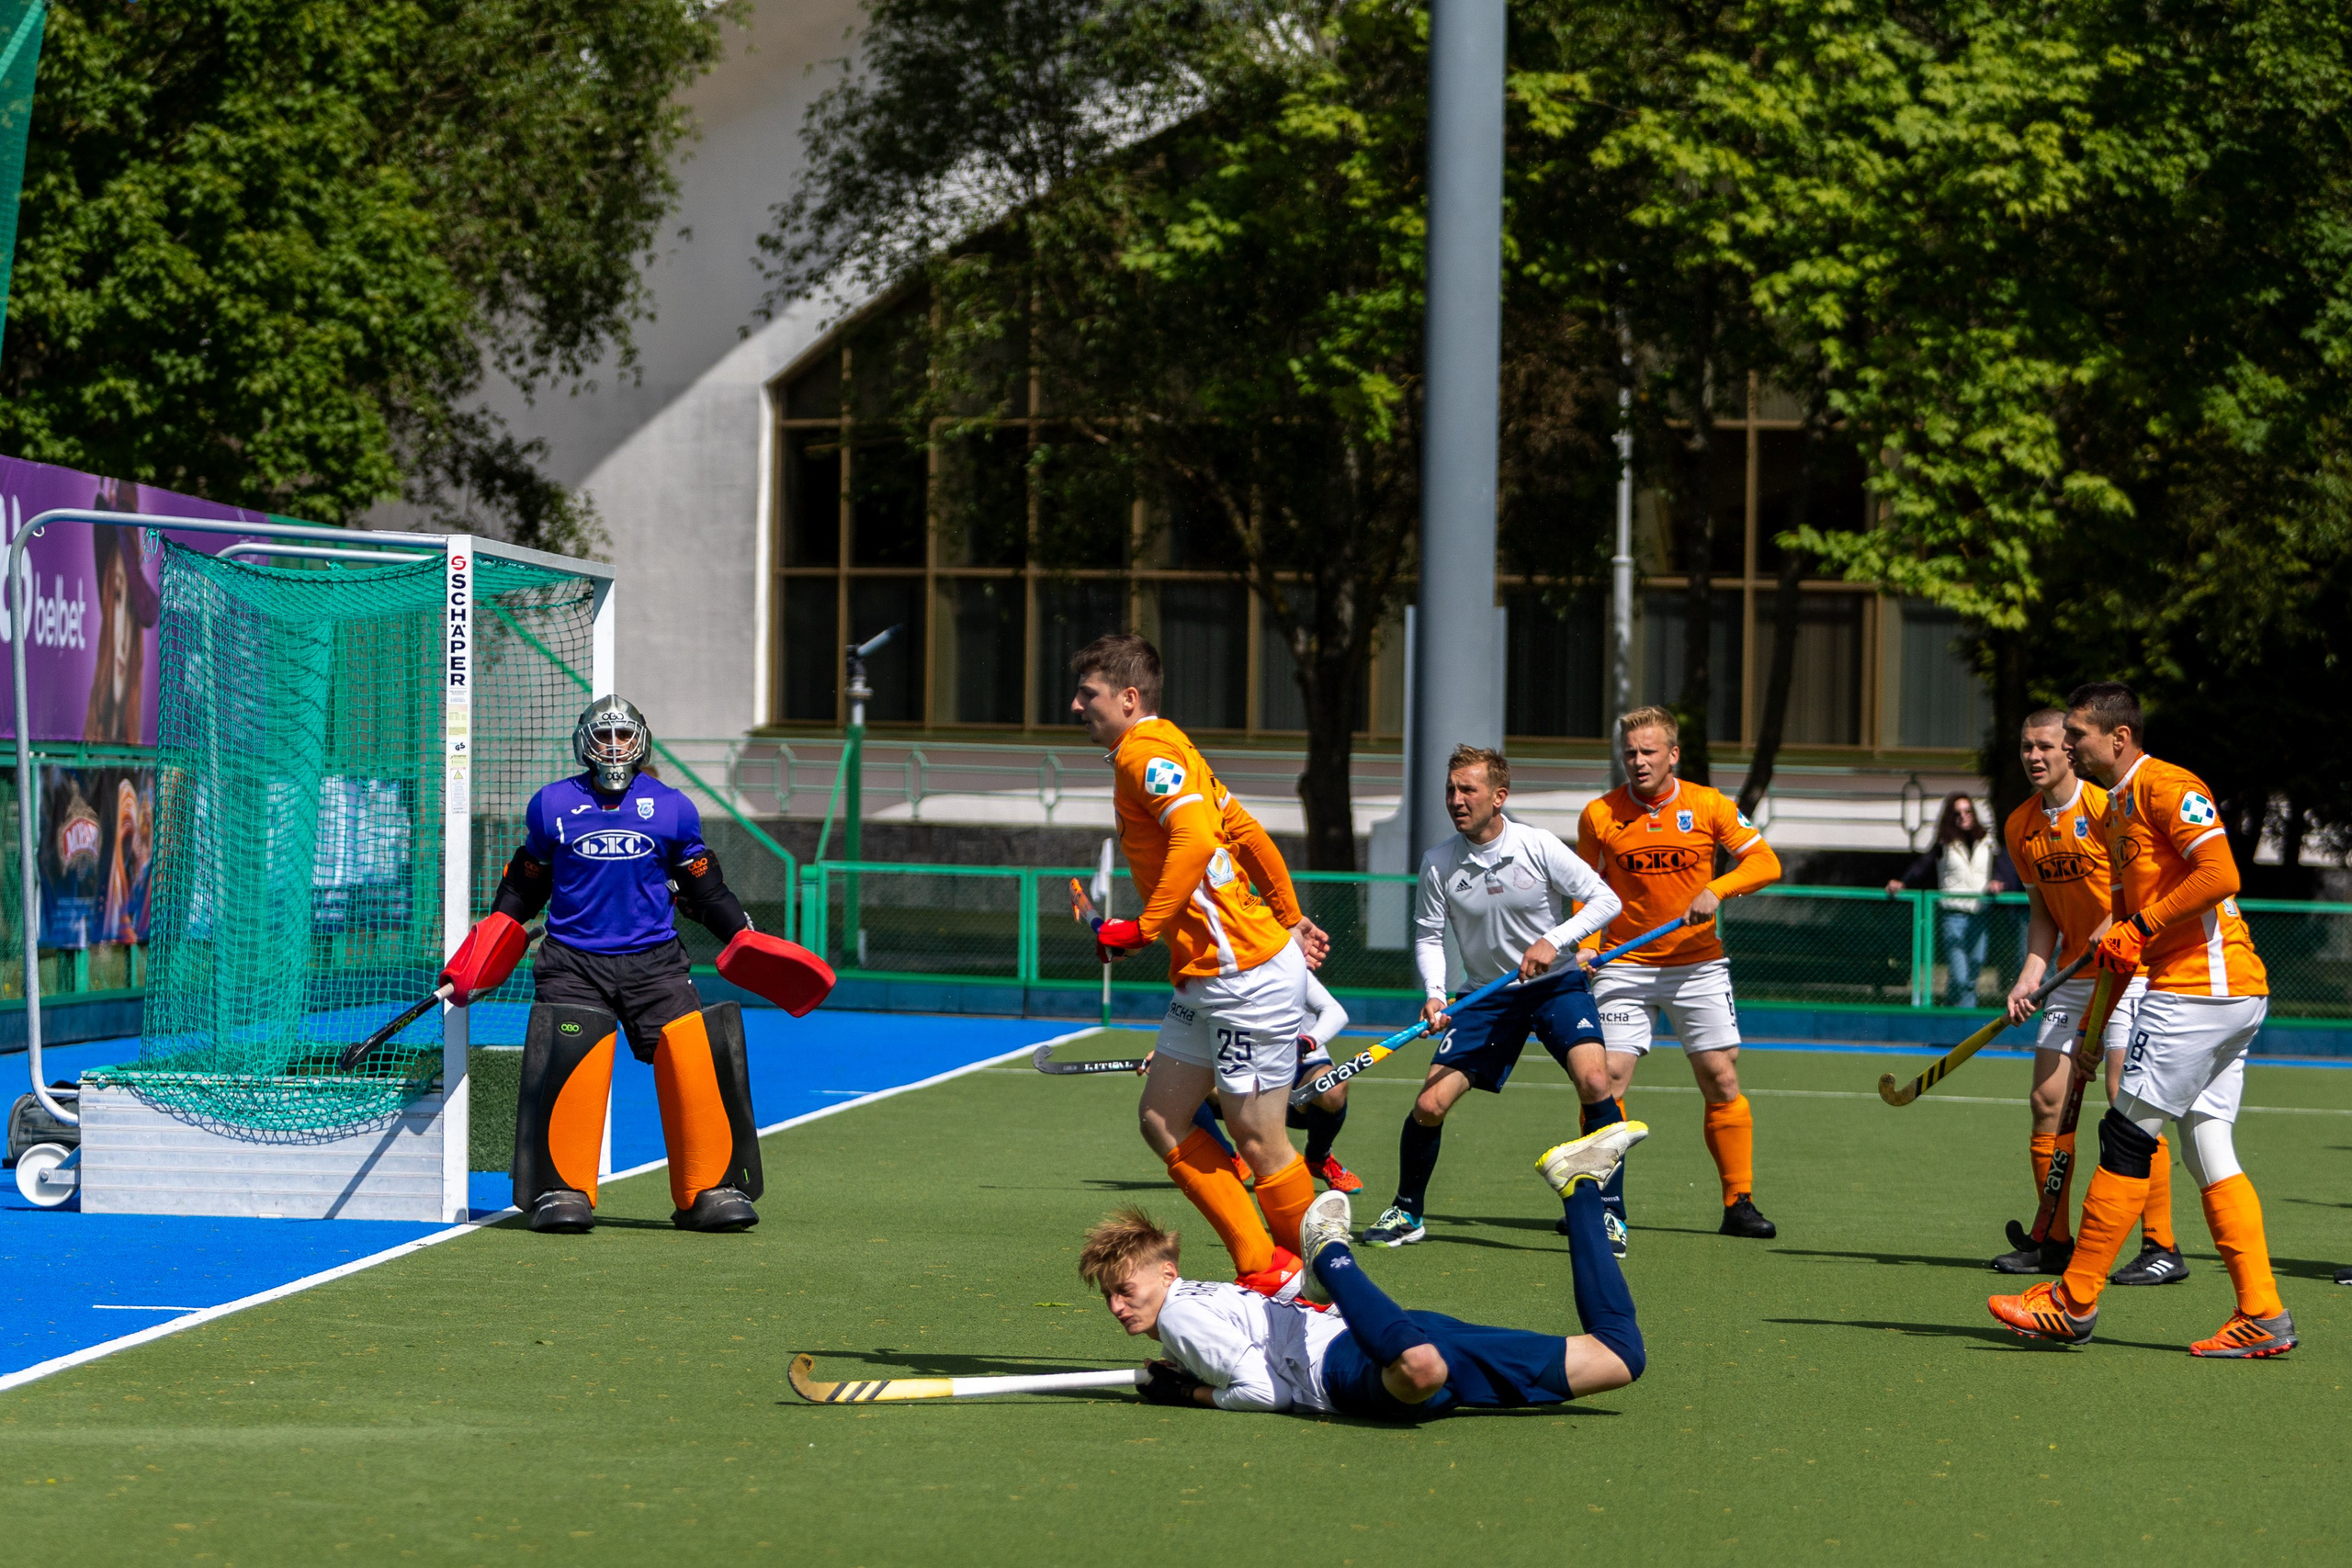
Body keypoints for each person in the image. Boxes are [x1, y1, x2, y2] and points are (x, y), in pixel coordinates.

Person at [1990, 682, 2293, 1357]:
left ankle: (2072, 1302)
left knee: (2126, 1136)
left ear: (2117, 737)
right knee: (2206, 1147)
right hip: (2204, 993)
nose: (2067, 745)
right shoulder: (2117, 808)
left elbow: (2220, 873)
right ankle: (2263, 1314)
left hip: (2202, 990)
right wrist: (2094, 1033)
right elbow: (2120, 935)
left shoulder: (2166, 785)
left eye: (2077, 734)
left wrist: (2146, 925)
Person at [436, 695, 807, 1235]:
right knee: (569, 1063)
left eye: (624, 735)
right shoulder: (551, 805)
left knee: (693, 1061)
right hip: (571, 964)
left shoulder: (673, 807)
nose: (614, 746)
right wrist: (489, 940)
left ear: (642, 741)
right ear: (584, 743)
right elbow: (526, 882)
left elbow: (706, 889)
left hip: (656, 965)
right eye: (604, 736)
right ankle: (559, 1190)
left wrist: (743, 936)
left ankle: (710, 1188)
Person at [1071, 634, 1332, 1301]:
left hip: (1242, 975)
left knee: (1258, 1135)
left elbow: (1196, 835)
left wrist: (1141, 926)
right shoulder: (1171, 747)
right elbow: (1243, 830)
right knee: (1162, 1117)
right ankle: (1264, 1266)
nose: (1077, 705)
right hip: (1209, 974)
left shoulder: (1144, 752)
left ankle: (1330, 1286)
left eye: (1089, 694)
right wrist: (1289, 911)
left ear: (1129, 699)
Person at [1080, 1119, 1649, 1419]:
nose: (1116, 1306)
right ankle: (1579, 1185)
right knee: (1619, 1357)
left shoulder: (1179, 1316)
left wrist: (1191, 1398)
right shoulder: (1190, 1300)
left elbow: (1263, 1392)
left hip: (1344, 1368)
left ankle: (1329, 1250)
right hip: (1376, 1332)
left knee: (1422, 1369)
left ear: (1166, 1272)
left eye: (1124, 1289)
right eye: (1108, 1297)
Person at [1360, 744, 1622, 1248]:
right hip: (1484, 996)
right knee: (1431, 1104)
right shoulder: (1439, 862)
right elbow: (1428, 936)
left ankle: (1611, 1214)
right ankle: (1407, 1212)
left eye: (1468, 790)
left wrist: (1555, 940)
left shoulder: (1537, 845)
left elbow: (1605, 899)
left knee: (1594, 1079)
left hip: (1556, 984)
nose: (1456, 799)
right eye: (1451, 790)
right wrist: (1435, 994)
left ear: (1499, 797)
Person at [1573, 707, 1782, 1243]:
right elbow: (1587, 889)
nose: (1638, 762)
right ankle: (1600, 1200)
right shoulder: (1600, 814)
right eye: (1630, 753)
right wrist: (1588, 945)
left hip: (1697, 964)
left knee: (1721, 1078)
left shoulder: (1708, 805)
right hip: (1624, 964)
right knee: (1607, 1080)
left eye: (1648, 752)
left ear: (1673, 755)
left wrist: (1717, 889)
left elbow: (1765, 863)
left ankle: (1739, 1203)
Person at [1992, 710, 2178, 1282]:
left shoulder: (2107, 809)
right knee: (2047, 1100)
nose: (2034, 756)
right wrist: (2030, 973)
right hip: (2070, 978)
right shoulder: (2020, 824)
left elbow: (2146, 882)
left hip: (2127, 970)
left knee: (2127, 1099)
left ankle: (2160, 1246)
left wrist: (2117, 920)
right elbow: (2043, 910)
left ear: (2070, 752)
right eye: (2026, 747)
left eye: (2045, 745)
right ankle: (2054, 1237)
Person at [1183, 970, 1365, 1194]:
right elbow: (1190, 1026)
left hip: (1300, 1073)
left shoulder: (1289, 966)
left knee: (1332, 1088)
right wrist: (1169, 1058)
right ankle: (1226, 1158)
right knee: (1179, 1081)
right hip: (1243, 1075)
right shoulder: (1210, 972)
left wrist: (1307, 1042)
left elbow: (1335, 1012)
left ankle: (1319, 1158)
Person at [1887, 793, 2012, 1007]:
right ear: (1949, 817)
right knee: (1961, 974)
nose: (1963, 817)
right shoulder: (1944, 843)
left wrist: (1997, 882)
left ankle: (1951, 1012)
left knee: (1973, 970)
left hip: (1980, 913)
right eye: (1957, 813)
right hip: (1953, 914)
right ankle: (1963, 1023)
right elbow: (1922, 866)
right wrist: (1902, 882)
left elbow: (2002, 867)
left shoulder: (1987, 841)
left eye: (1967, 811)